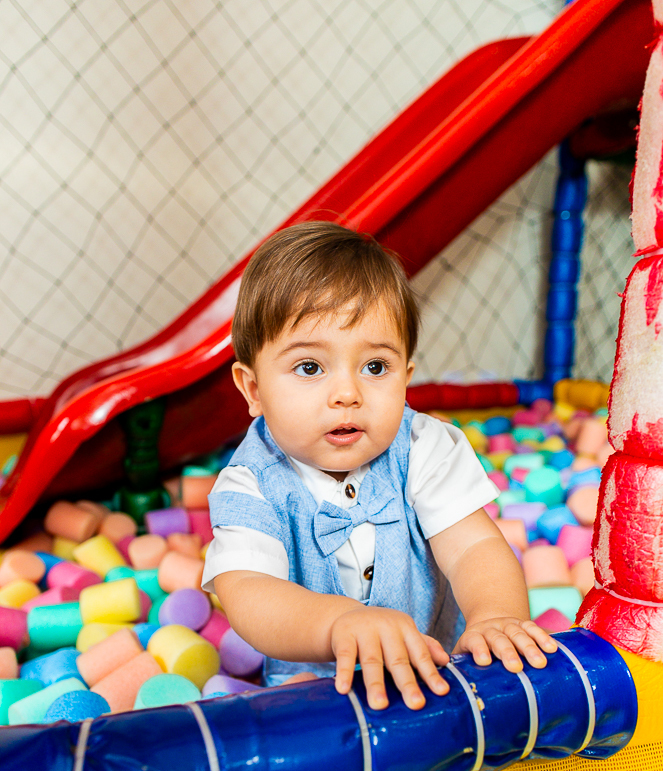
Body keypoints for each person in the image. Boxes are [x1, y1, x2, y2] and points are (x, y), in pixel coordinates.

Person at [202, 221, 556, 710]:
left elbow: (473, 546)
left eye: (375, 367)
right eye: (310, 367)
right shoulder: (249, 484)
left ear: (405, 380)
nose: (348, 394)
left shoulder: (423, 446)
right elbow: (247, 590)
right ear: (254, 390)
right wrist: (338, 623)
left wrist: (495, 615)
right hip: (316, 692)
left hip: (440, 672)